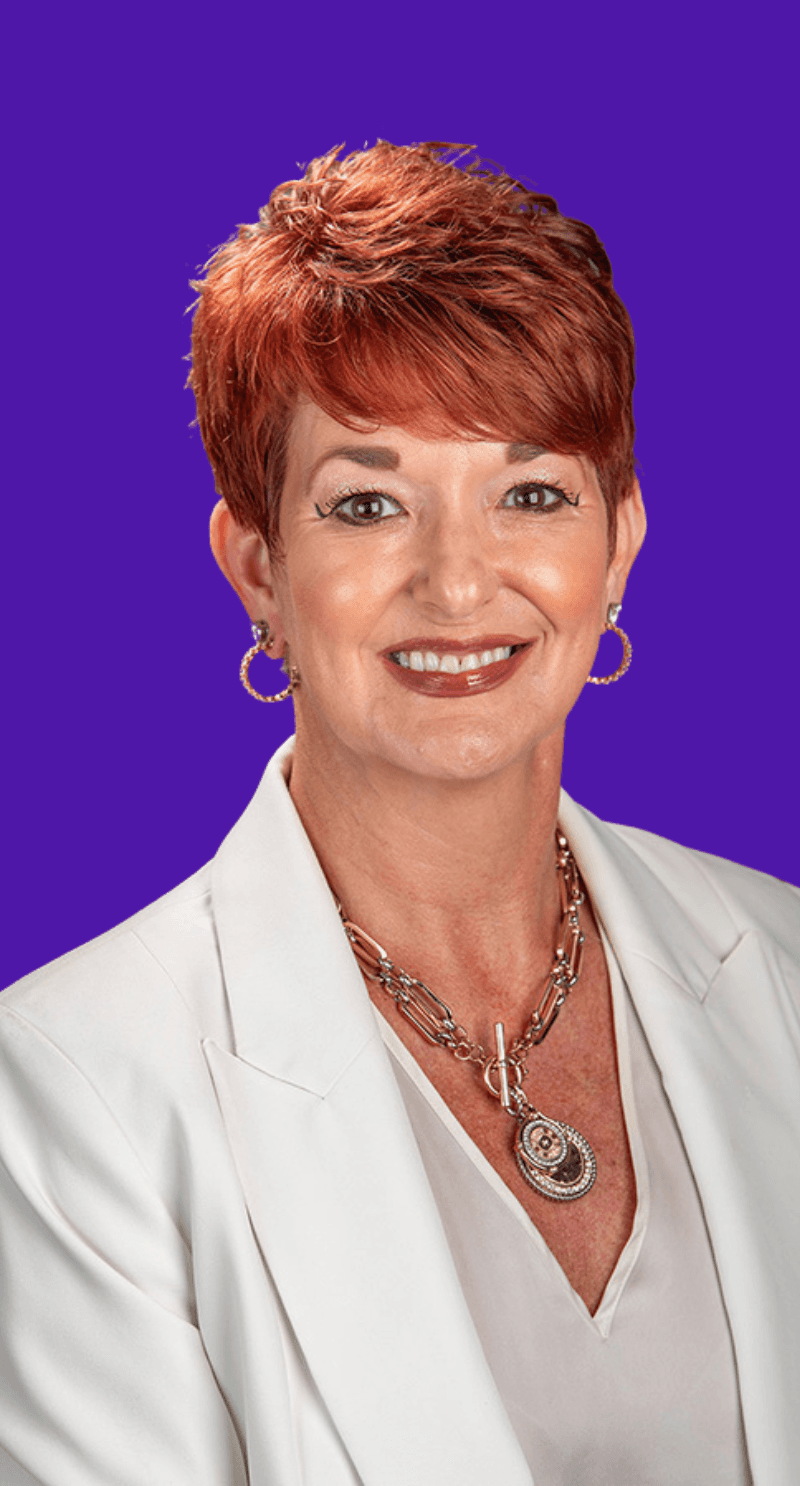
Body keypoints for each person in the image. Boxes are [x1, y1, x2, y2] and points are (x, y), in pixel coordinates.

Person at [0, 140, 797, 1486]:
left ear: (621, 542)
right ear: (257, 564)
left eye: (531, 491)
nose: (456, 579)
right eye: (368, 504)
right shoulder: (76, 1091)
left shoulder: (782, 963)